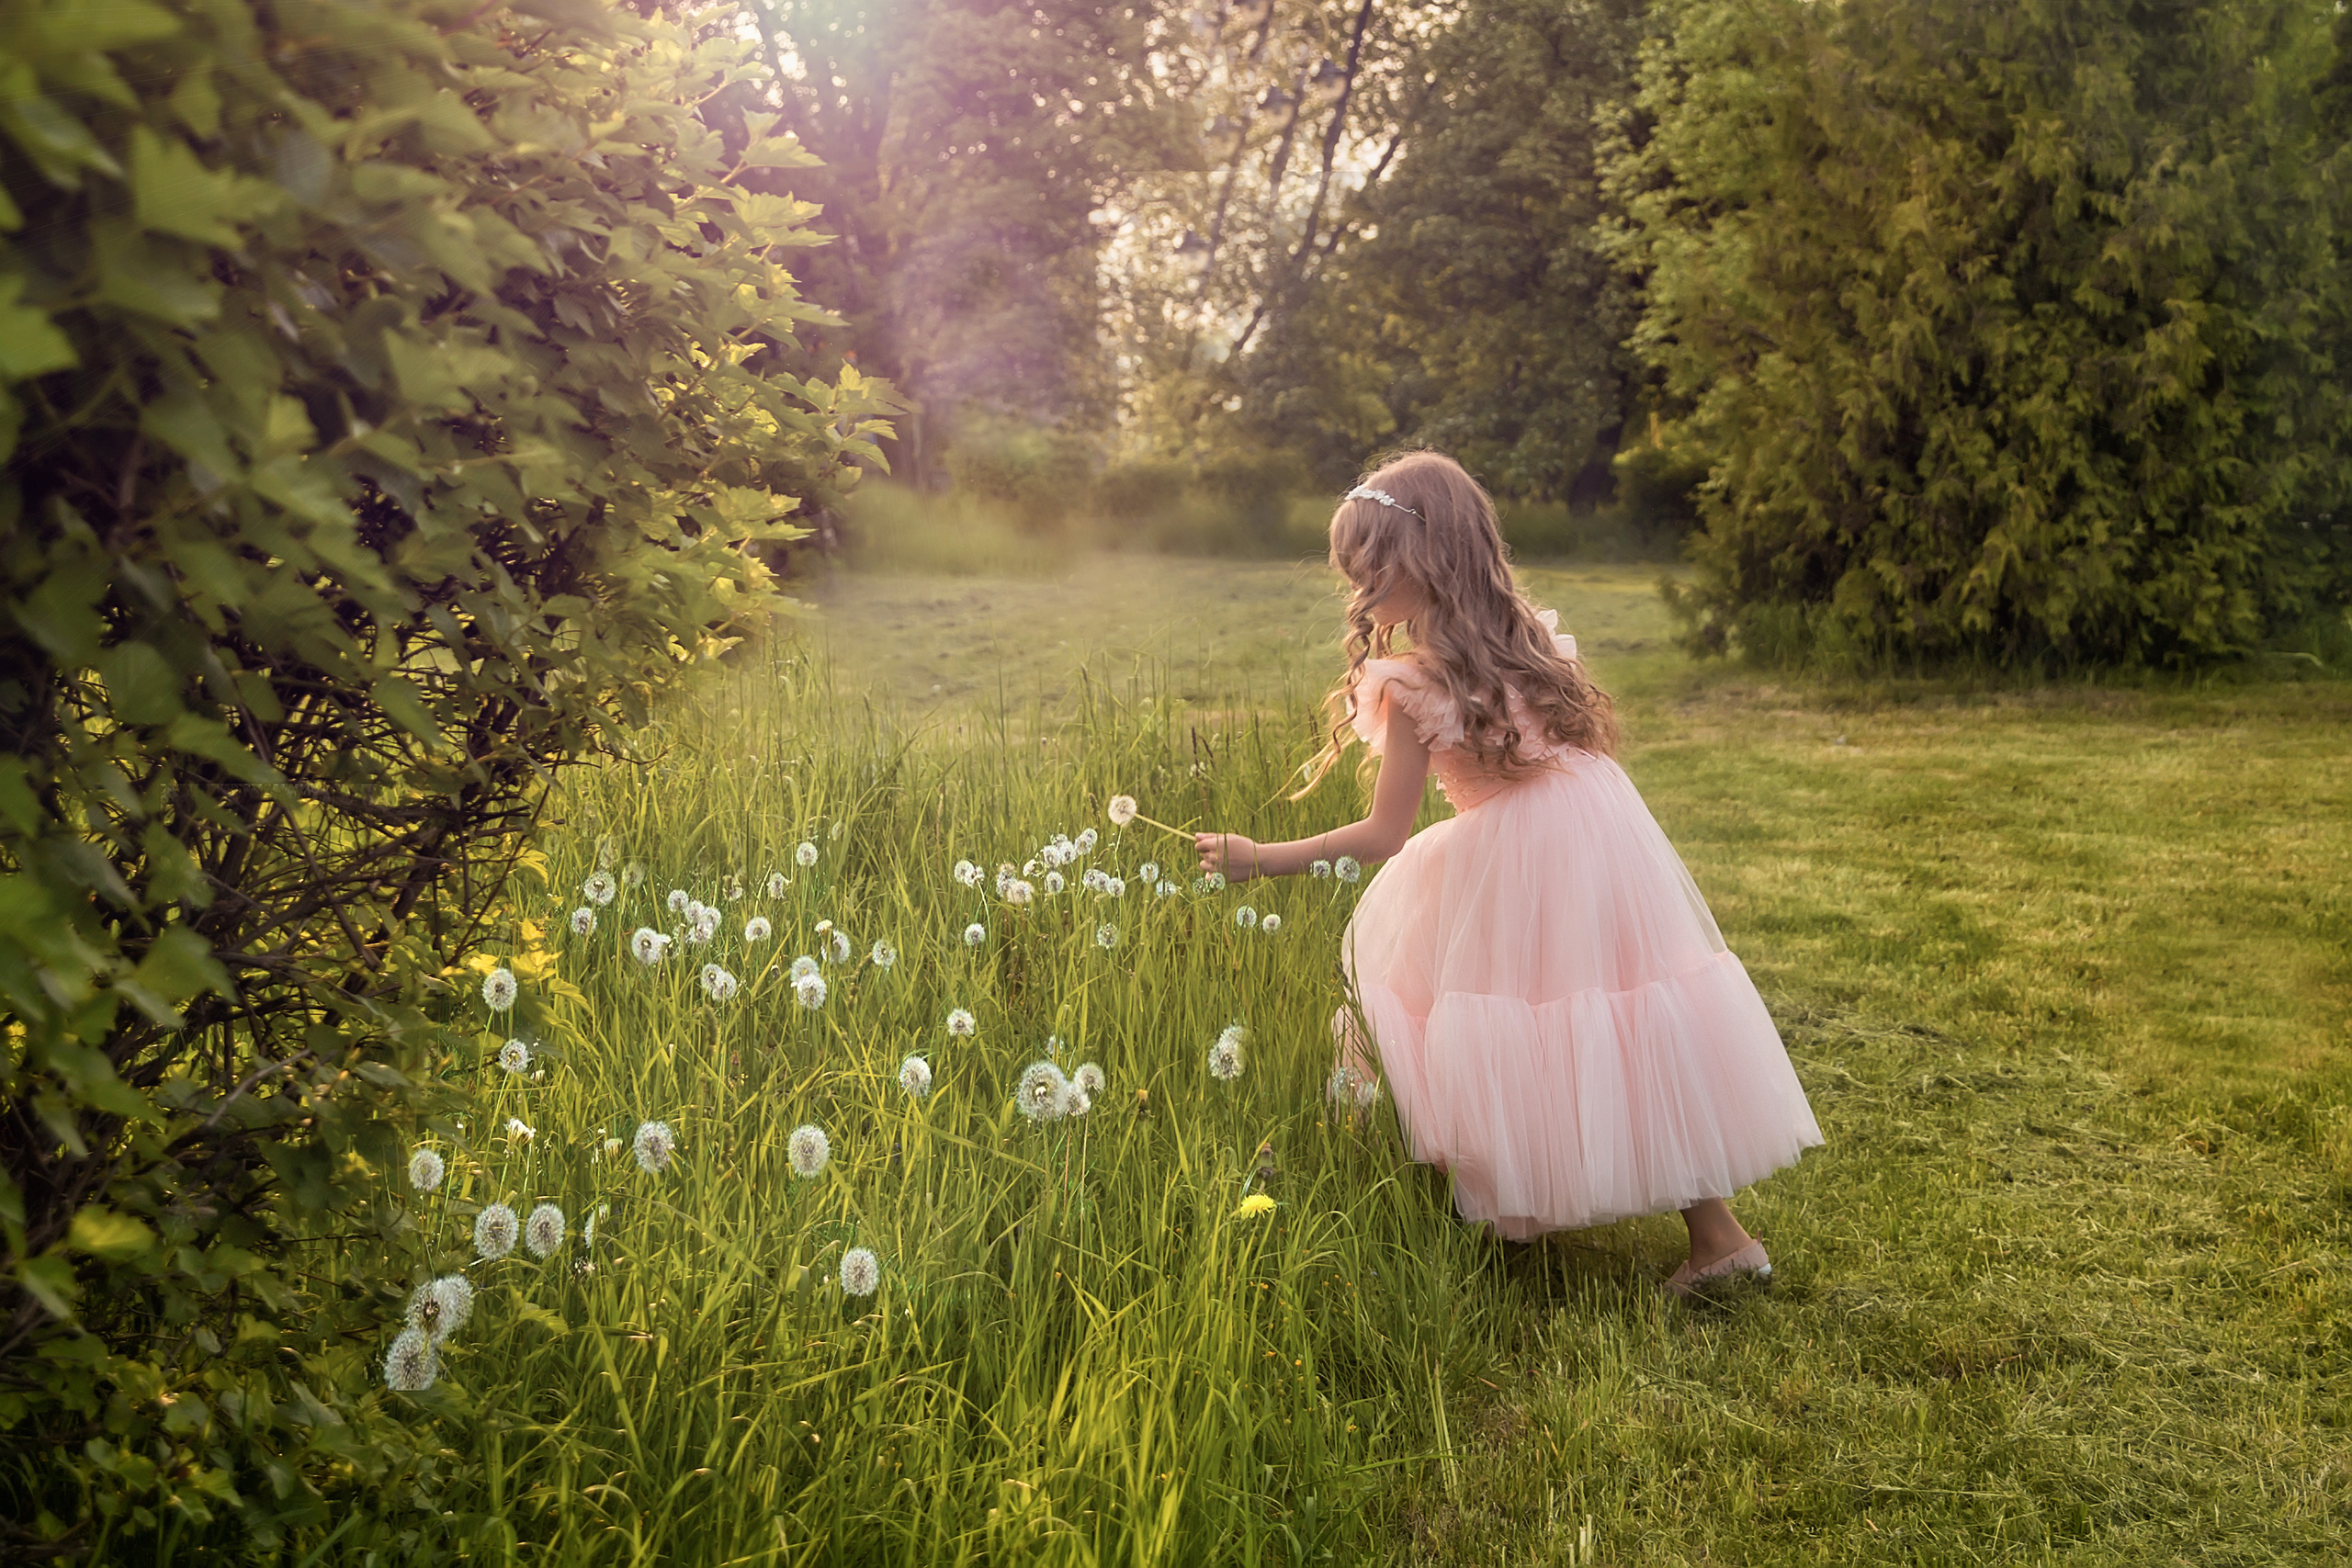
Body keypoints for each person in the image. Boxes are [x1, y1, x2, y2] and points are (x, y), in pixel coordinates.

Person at [1194, 450, 1822, 1296]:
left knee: (1453, 1008)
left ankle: (1489, 1218)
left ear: (1426, 559)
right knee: (1616, 1015)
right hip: (1595, 838)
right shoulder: (1524, 639)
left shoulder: (1414, 682)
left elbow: (1385, 832)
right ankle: (1718, 1237)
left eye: (1372, 566)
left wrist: (1262, 858)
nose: (1359, 589)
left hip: (1518, 859)